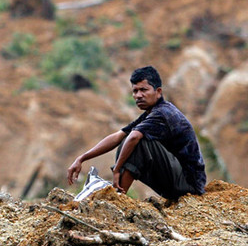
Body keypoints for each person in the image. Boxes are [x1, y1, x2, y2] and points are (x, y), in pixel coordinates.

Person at [66, 65, 206, 200]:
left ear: (158, 92)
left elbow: (134, 137)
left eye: (144, 90)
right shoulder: (150, 114)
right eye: (135, 91)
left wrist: (117, 169)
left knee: (138, 142)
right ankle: (116, 195)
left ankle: (117, 199)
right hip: (176, 181)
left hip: (189, 185)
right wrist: (82, 158)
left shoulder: (163, 113)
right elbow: (118, 136)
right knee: (127, 140)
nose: (138, 95)